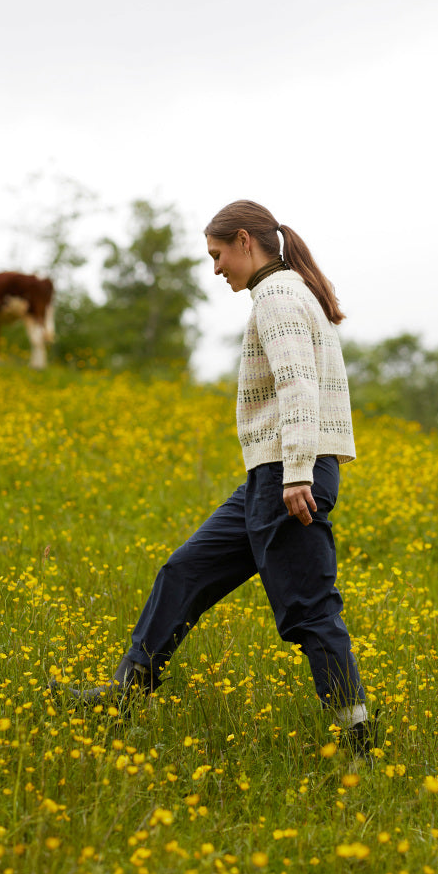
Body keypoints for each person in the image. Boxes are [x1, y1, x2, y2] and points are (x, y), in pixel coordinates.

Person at [52, 200, 374, 754]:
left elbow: (299, 387)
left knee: (308, 611)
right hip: (271, 476)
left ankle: (357, 738)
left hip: (289, 476)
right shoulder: (286, 290)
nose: (216, 268)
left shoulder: (276, 295)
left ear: (245, 241)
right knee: (184, 571)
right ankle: (127, 691)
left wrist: (297, 472)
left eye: (218, 254)